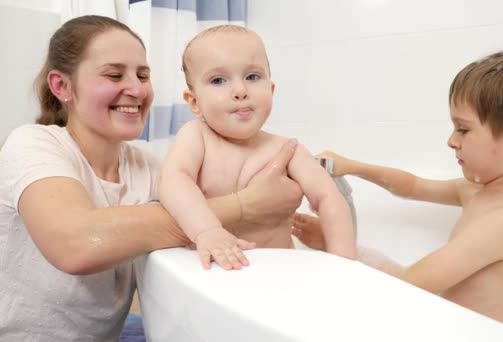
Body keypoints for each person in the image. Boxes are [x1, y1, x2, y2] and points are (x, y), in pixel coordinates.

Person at [0, 15, 303, 341]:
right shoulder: (32, 144)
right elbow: (75, 245)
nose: (136, 89)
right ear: (62, 86)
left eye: (143, 75)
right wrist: (246, 205)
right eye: (115, 74)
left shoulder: (149, 169)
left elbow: (217, 227)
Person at [292, 48, 503, 332]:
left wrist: (342, 246)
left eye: (463, 129)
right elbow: (413, 186)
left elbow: (409, 286)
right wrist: (352, 166)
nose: (451, 140)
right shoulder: (477, 193)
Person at [159, 25, 356, 271]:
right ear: (195, 102)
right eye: (218, 80)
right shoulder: (196, 137)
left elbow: (329, 198)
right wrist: (207, 231)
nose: (241, 91)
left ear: (271, 90)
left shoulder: (288, 150)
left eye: (252, 77)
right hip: (212, 272)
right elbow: (173, 181)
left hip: (277, 273)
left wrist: (345, 264)